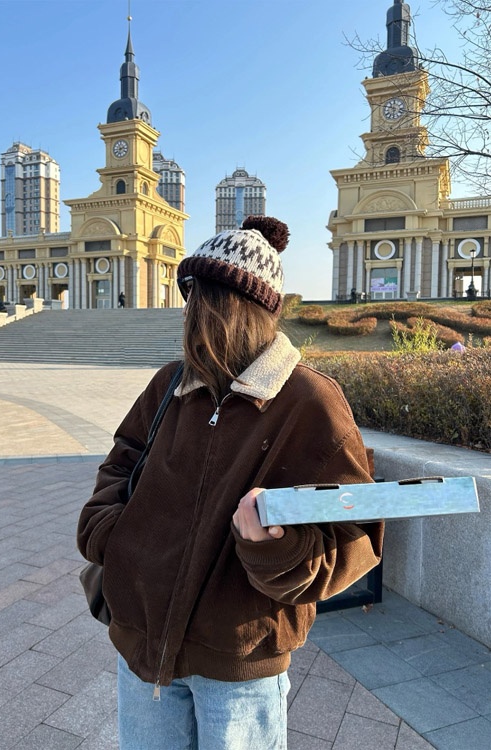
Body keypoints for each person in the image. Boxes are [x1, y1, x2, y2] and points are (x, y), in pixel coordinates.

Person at [77, 216, 384, 750]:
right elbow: (121, 461)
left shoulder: (309, 402)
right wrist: (112, 533)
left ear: (239, 307)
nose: (191, 310)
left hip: (241, 665)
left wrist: (274, 548)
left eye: (201, 295)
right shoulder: (169, 384)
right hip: (141, 647)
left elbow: (354, 534)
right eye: (191, 294)